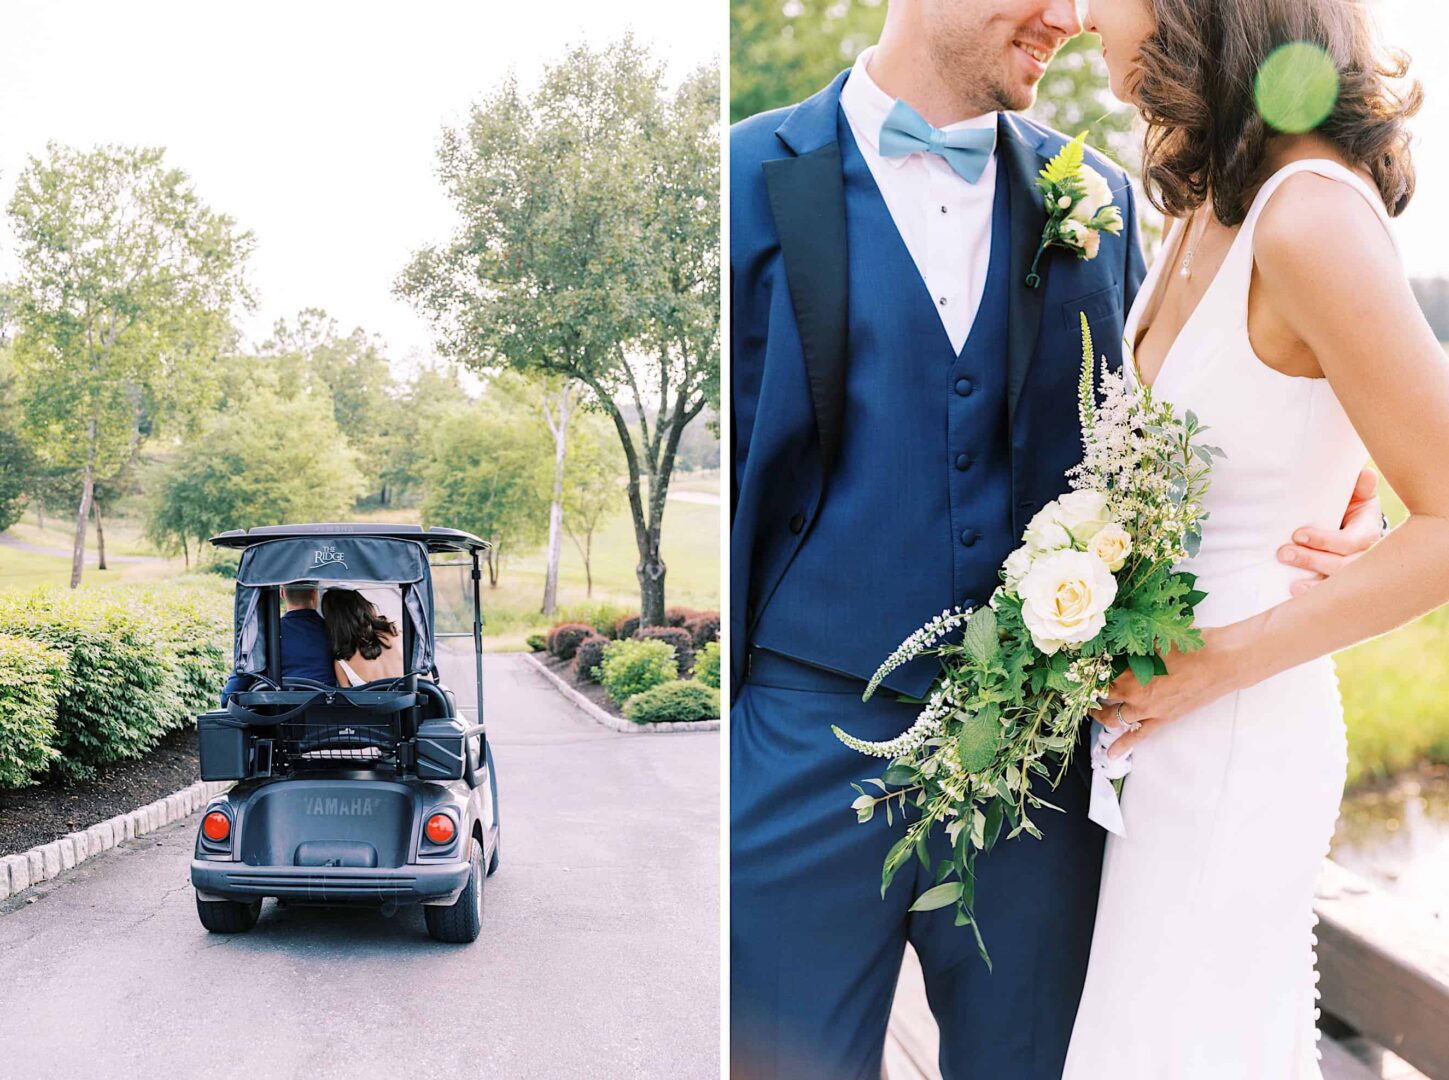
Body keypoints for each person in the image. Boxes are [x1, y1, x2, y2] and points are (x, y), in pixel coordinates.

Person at [728, 1, 1388, 1077]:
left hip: (1045, 771)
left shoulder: (1111, 206)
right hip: (800, 750)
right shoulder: (744, 178)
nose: (1070, 17)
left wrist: (1347, 478)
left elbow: (1184, 425)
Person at [1060, 2, 1444, 1077]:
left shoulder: (1308, 217)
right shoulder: (1203, 205)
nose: (1088, 18)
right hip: (1158, 747)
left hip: (1238, 741)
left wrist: (1215, 665)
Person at [219, 582, 336, 703]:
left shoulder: (264, 636)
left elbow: (229, 695)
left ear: (282, 593)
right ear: (314, 594)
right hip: (326, 713)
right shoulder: (336, 632)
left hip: (279, 715)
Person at [321, 587, 403, 687]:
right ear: (363, 605)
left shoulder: (342, 663)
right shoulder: (399, 637)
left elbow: (348, 700)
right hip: (408, 702)